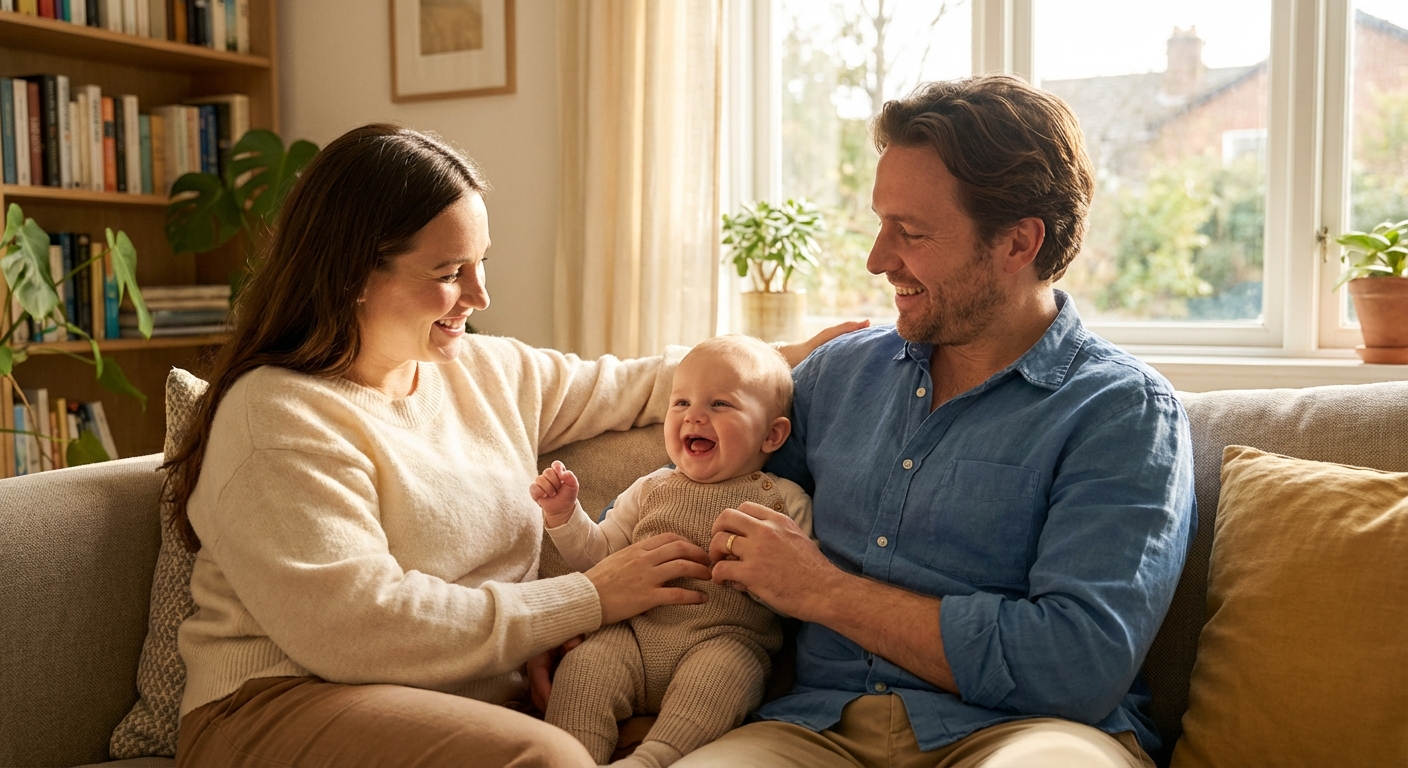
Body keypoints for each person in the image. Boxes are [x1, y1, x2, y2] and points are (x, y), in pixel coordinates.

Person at [162, 123, 858, 768]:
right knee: (547, 761)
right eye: (449, 272)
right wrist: (587, 598)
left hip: (446, 697)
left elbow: (638, 385)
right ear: (352, 274)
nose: (481, 295)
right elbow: (359, 626)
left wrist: (790, 356)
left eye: (481, 263)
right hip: (274, 704)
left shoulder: (481, 369)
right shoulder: (277, 416)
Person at [680, 74, 1197, 768]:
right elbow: (698, 493)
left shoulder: (1123, 412)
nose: (876, 259)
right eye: (879, 222)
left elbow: (1076, 663)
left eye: (912, 233)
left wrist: (825, 590)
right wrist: (593, 617)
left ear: (1018, 244)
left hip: (1025, 733)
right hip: (814, 730)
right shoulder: (838, 375)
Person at [532, 335, 813, 768]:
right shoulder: (649, 488)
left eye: (720, 404)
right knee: (583, 667)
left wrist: (757, 576)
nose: (694, 415)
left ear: (772, 434)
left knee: (725, 677)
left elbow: (801, 590)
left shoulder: (783, 501)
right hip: (632, 637)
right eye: (680, 403)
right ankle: (574, 757)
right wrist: (564, 516)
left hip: (723, 638)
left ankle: (653, 760)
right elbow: (599, 559)